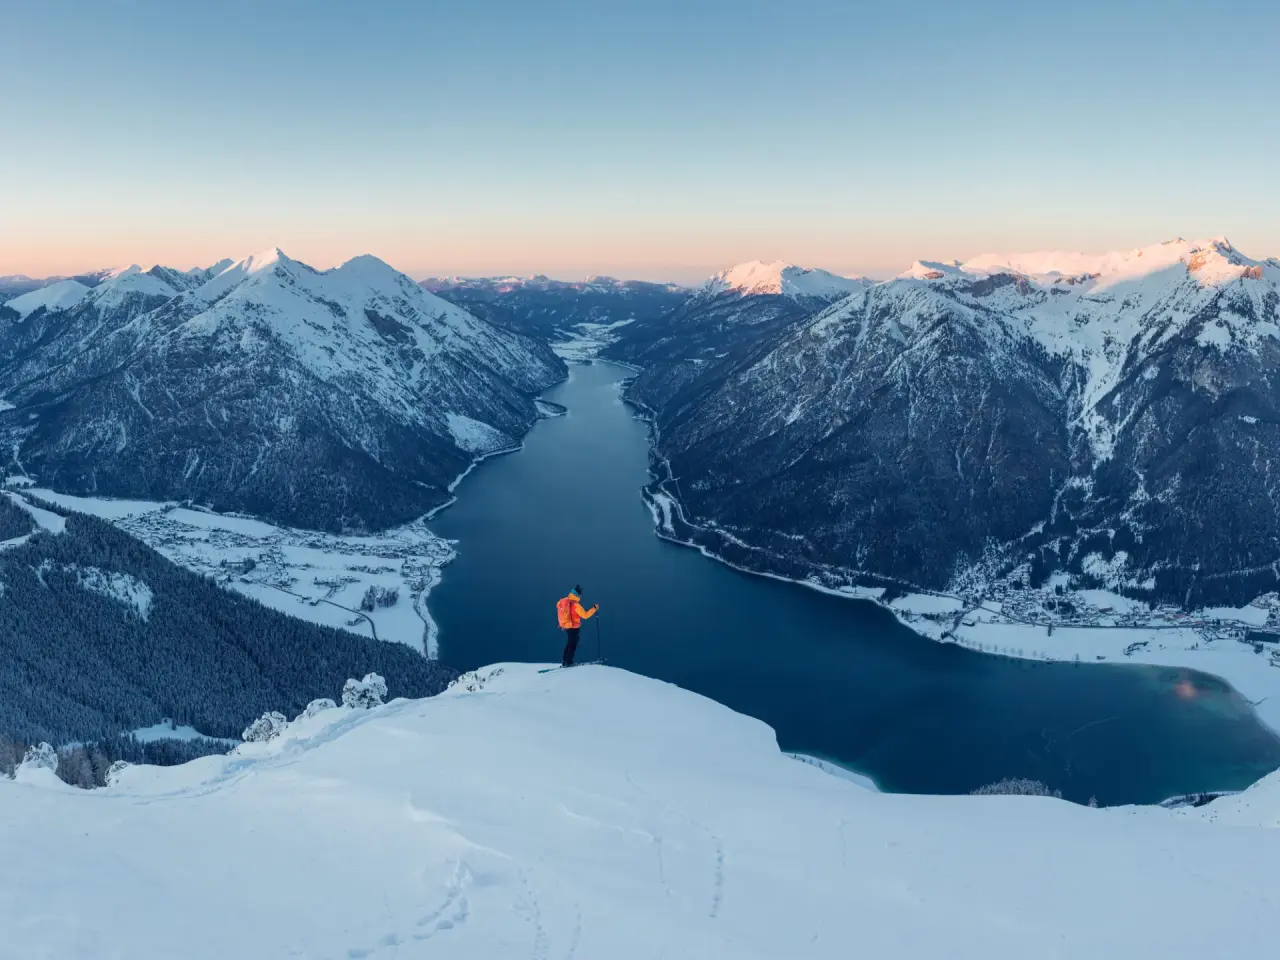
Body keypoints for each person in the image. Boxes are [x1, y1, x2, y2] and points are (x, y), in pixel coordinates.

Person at [556, 585, 599, 667]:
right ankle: (569, 662)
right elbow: (585, 615)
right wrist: (594, 608)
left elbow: (558, 605)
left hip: (567, 626)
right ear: (577, 595)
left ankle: (564, 661)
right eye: (580, 594)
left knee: (569, 643)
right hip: (574, 627)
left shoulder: (565, 601)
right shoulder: (576, 605)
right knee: (573, 644)